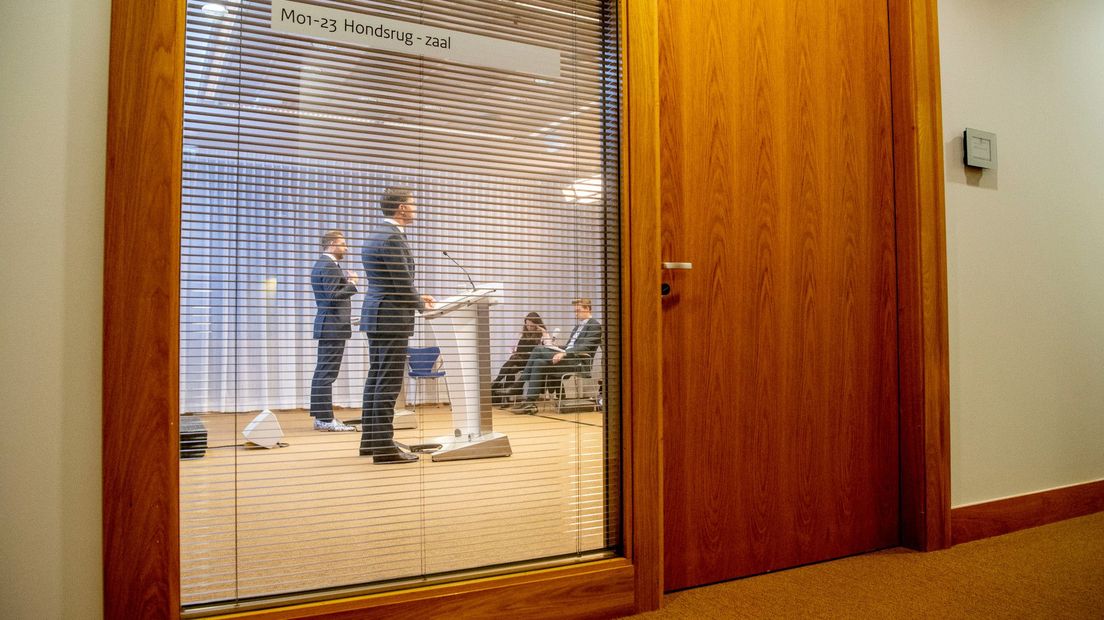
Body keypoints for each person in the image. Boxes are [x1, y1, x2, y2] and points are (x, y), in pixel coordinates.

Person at [359, 187, 435, 463]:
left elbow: (391, 280)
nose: (415, 208)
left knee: (376, 378)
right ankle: (384, 448)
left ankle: (370, 441)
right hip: (390, 317)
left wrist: (417, 296)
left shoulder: (377, 234)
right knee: (388, 383)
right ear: (401, 208)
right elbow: (401, 281)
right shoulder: (391, 237)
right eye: (413, 204)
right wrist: (419, 304)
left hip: (379, 314)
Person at [508, 298, 602, 415]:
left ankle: (519, 383)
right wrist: (557, 348)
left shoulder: (595, 325)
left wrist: (564, 353)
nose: (576, 313)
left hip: (578, 361)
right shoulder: (577, 327)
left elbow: (586, 347)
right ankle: (530, 403)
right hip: (568, 357)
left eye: (578, 310)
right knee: (537, 362)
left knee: (538, 349)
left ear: (587, 309)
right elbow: (569, 346)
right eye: (575, 311)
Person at [309, 230, 358, 432]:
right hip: (332, 326)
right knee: (326, 374)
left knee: (324, 373)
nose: (346, 247)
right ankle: (325, 420)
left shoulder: (326, 265)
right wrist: (352, 284)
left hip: (331, 325)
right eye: (343, 243)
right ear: (331, 244)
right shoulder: (328, 266)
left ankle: (322, 418)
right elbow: (331, 297)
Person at [491, 312, 550, 406]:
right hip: (519, 360)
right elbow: (511, 348)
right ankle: (505, 396)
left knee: (512, 362)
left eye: (532, 326)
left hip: (531, 362)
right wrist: (513, 353)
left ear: (537, 324)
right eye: (527, 325)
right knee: (511, 368)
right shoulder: (520, 335)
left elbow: (548, 347)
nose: (529, 327)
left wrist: (543, 332)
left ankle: (496, 383)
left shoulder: (542, 336)